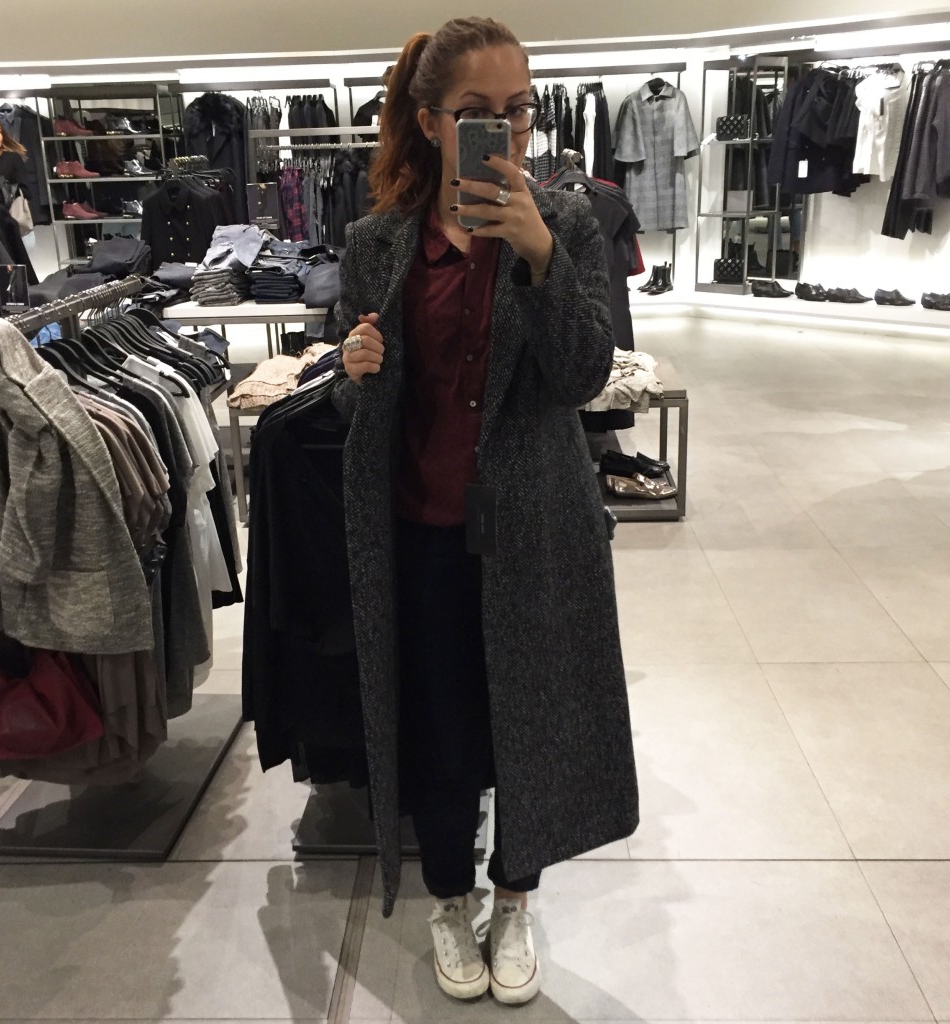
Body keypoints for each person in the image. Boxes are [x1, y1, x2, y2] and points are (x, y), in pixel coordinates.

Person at [333, 16, 639, 1006]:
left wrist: (541, 256)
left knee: (529, 727)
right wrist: (354, 368)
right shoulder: (378, 243)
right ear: (429, 121)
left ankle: (514, 899)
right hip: (419, 528)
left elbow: (584, 375)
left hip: (533, 525)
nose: (504, 133)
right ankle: (447, 897)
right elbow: (359, 396)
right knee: (441, 731)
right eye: (477, 113)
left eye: (518, 111)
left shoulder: (567, 223)